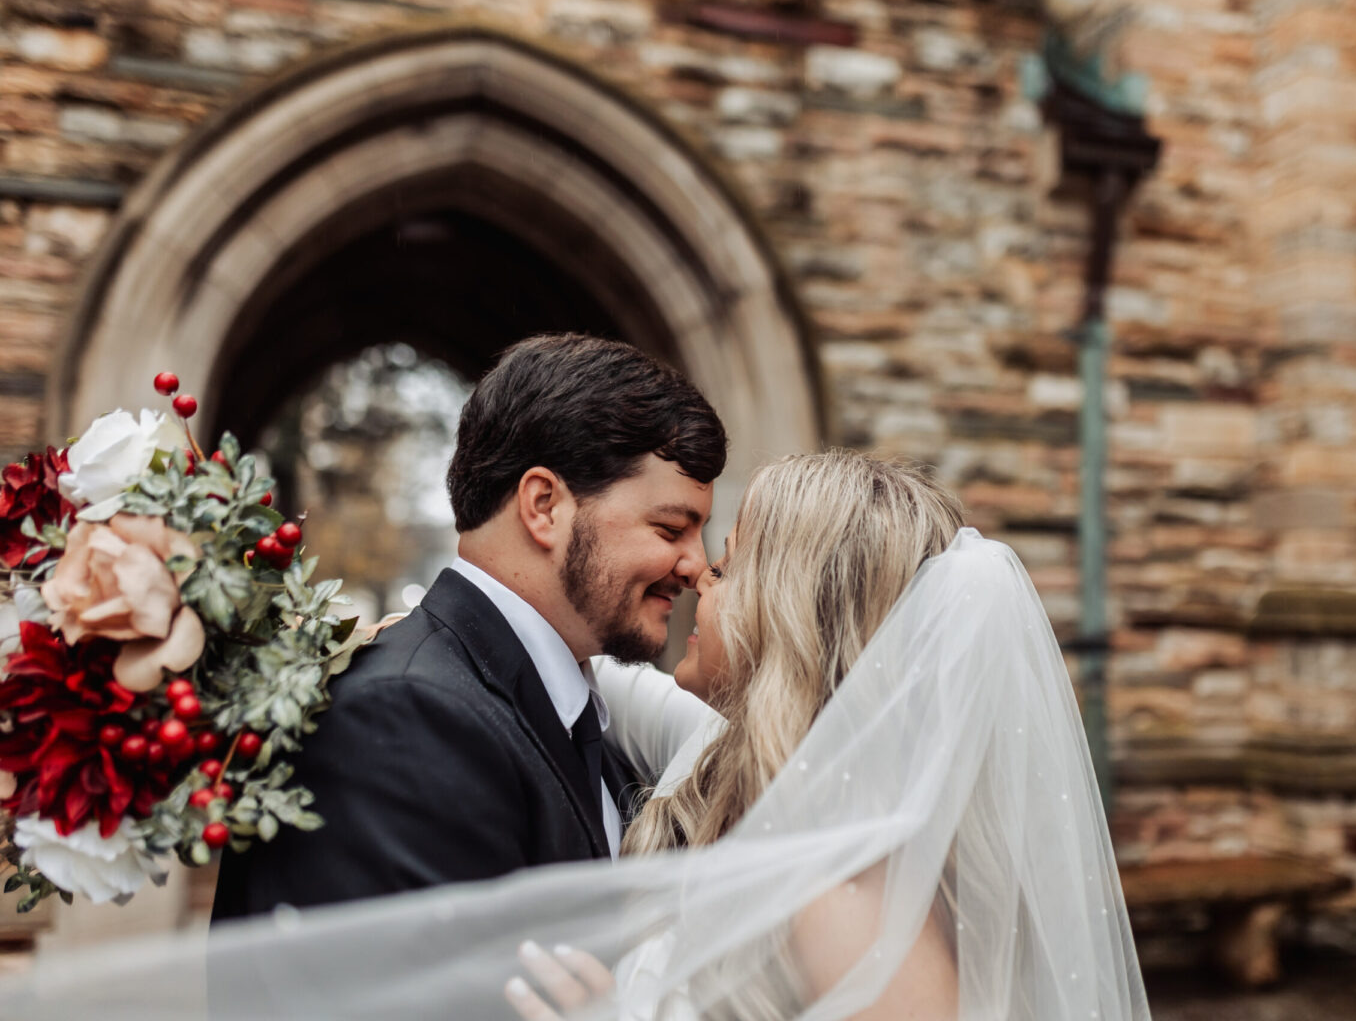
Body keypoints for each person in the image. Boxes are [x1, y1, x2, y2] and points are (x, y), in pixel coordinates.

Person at [6, 451, 1147, 1021]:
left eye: (729, 563)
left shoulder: (849, 886)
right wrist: (241, 622)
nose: (699, 573)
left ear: (797, 617)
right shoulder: (730, 765)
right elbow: (552, 660)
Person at [211, 334, 726, 920]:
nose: (696, 567)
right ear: (543, 506)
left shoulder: (566, 711)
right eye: (669, 529)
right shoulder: (404, 719)